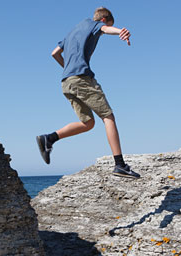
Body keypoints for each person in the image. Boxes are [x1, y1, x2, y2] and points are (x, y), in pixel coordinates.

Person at [36, 7, 140, 179]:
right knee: (108, 117)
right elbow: (105, 29)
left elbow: (54, 53)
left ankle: (49, 139)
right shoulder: (94, 25)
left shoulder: (74, 30)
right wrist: (121, 31)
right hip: (82, 79)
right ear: (104, 19)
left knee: (88, 123)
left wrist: (69, 69)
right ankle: (120, 165)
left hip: (66, 82)